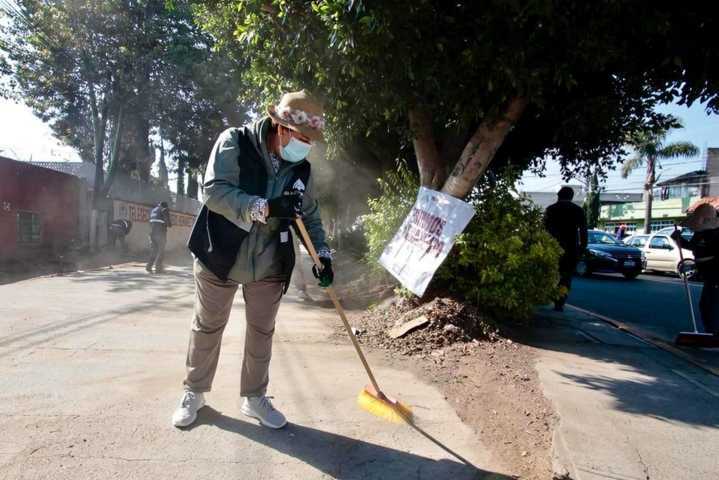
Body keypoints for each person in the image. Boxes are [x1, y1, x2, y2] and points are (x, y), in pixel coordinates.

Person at [173, 90, 333, 429]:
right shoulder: (235, 142)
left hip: (270, 261)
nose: (305, 147)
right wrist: (264, 207)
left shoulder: (301, 170)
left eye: (310, 141)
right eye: (302, 138)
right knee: (207, 326)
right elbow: (214, 190)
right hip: (220, 252)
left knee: (262, 331)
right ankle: (194, 392)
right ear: (281, 127)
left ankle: (254, 397)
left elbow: (310, 216)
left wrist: (322, 254)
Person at [671, 203, 719, 335]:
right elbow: (693, 247)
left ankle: (714, 334)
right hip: (708, 275)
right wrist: (678, 239)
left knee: (711, 305)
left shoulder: (717, 234)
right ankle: (711, 333)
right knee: (706, 305)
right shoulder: (699, 233)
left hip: (715, 274)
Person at [544, 186, 588, 311]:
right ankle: (560, 303)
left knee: (550, 274)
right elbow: (583, 232)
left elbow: (544, 229)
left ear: (559, 196)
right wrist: (582, 248)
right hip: (571, 249)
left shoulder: (551, 209)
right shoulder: (578, 210)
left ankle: (546, 296)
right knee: (566, 277)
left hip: (552, 247)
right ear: (571, 197)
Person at [146, 201, 172, 273]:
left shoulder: (153, 210)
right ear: (165, 206)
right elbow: (168, 222)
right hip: (160, 233)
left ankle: (148, 266)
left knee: (154, 250)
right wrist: (169, 224)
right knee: (161, 251)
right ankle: (158, 269)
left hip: (151, 233)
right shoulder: (164, 209)